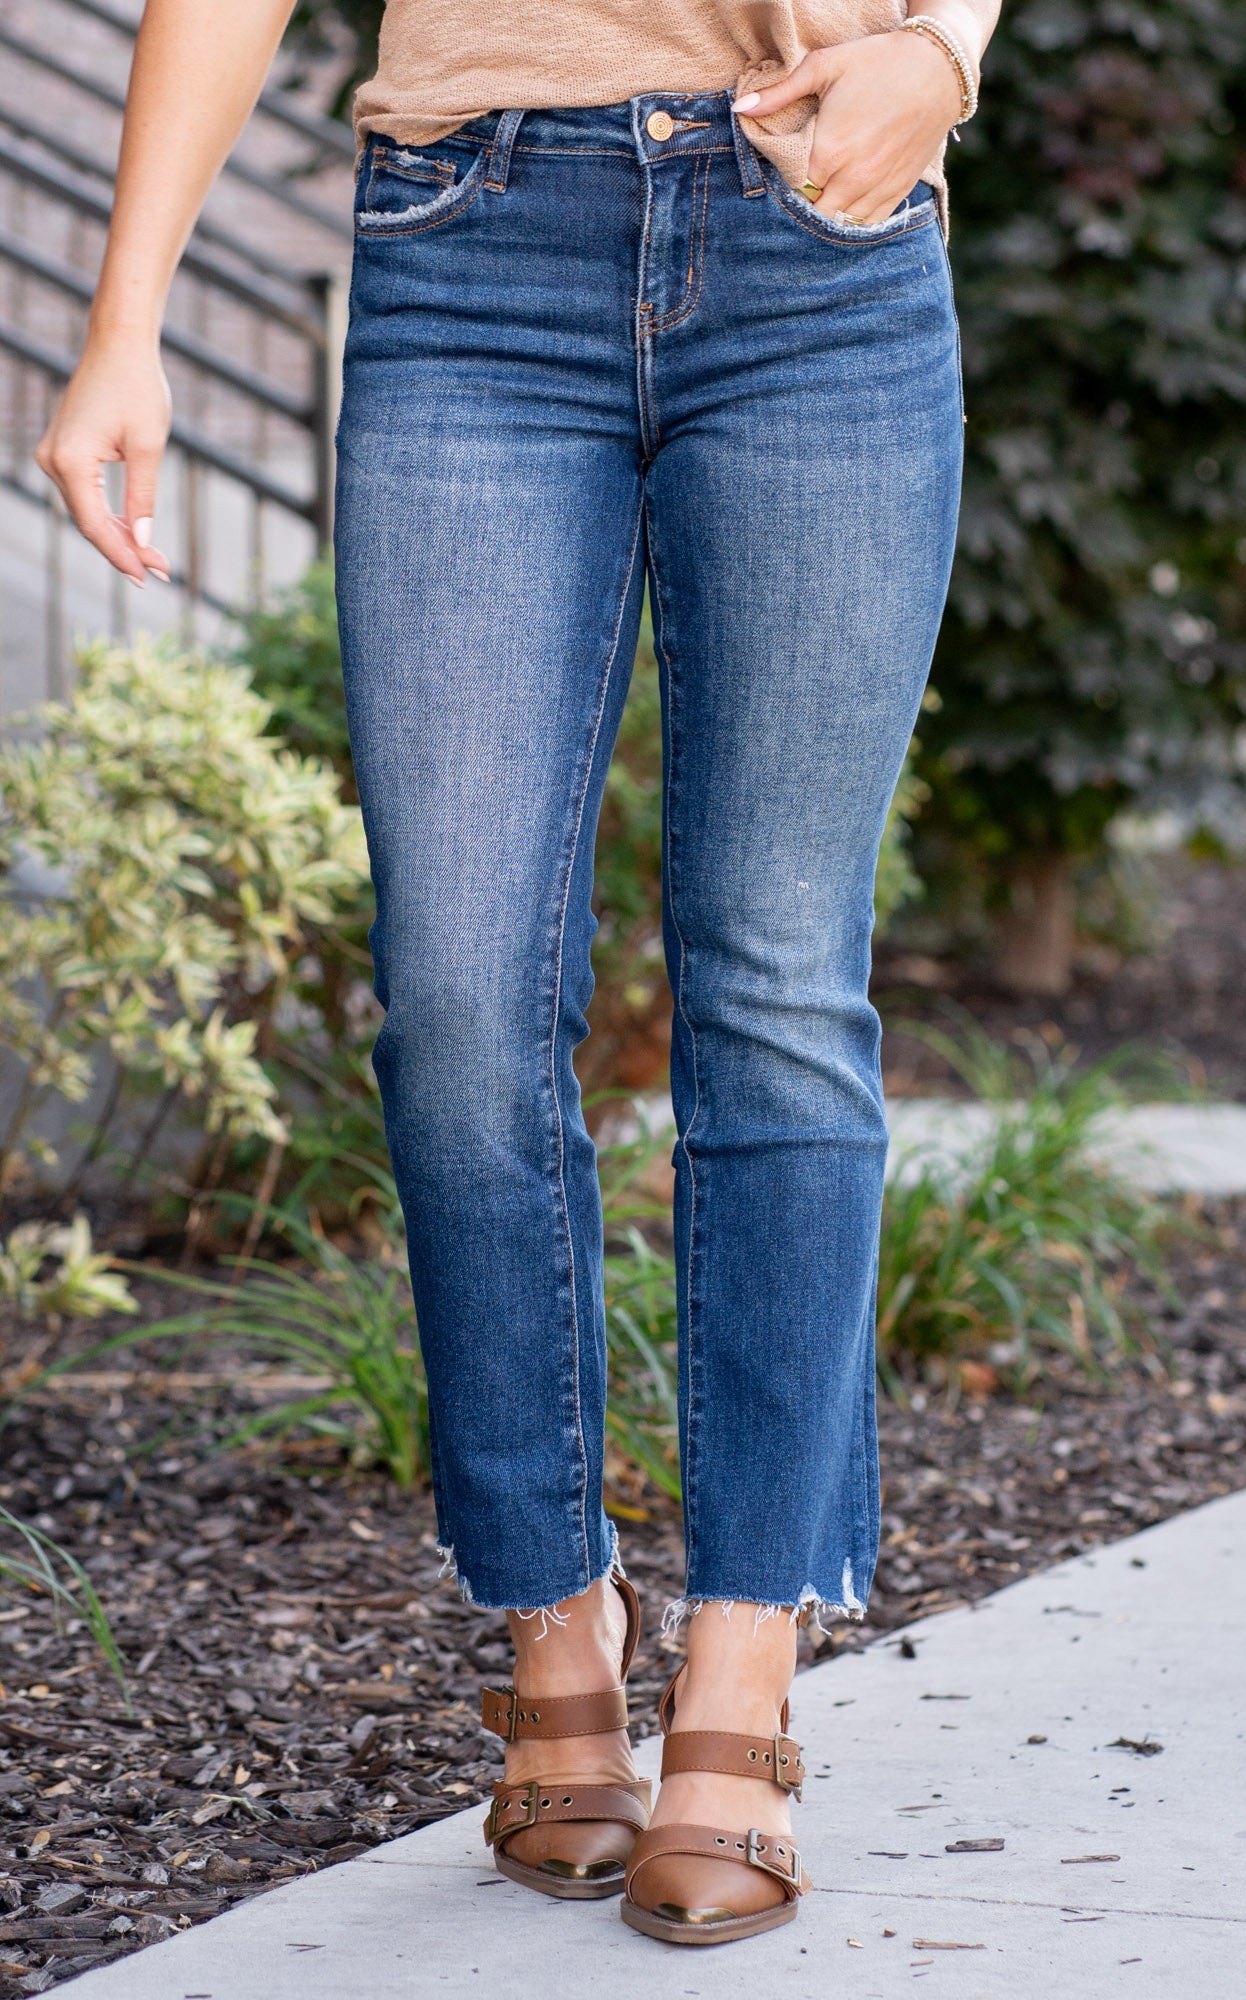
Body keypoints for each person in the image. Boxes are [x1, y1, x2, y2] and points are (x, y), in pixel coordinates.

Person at [38, 0, 1001, 1949]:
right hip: (471, 240)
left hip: (818, 229)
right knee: (461, 1000)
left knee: (777, 989)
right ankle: (555, 1615)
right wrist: (124, 314)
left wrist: (946, 48)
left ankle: (742, 1666)